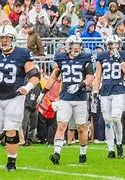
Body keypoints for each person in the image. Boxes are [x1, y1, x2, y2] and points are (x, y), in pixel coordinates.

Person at [0, 24, 40, 171]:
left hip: (15, 97)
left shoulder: (22, 54)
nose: (4, 41)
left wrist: (27, 87)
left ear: (13, 39)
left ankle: (11, 162)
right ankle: (3, 136)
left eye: (7, 38)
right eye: (1, 38)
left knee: (11, 128)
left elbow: (35, 76)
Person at [37, 35, 94, 164]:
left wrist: (80, 85)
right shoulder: (61, 58)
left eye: (78, 45)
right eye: (74, 45)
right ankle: (56, 154)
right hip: (65, 98)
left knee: (81, 128)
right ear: (68, 47)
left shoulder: (86, 58)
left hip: (80, 98)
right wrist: (43, 92)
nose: (76, 48)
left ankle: (82, 153)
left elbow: (90, 77)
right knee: (62, 125)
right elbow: (53, 77)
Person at [93, 34, 125, 159]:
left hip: (118, 89)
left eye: (116, 44)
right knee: (107, 121)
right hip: (105, 90)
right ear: (108, 45)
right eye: (112, 44)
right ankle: (110, 149)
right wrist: (95, 91)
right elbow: (98, 75)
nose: (114, 46)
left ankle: (119, 144)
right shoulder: (102, 56)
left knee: (116, 118)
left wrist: (119, 59)